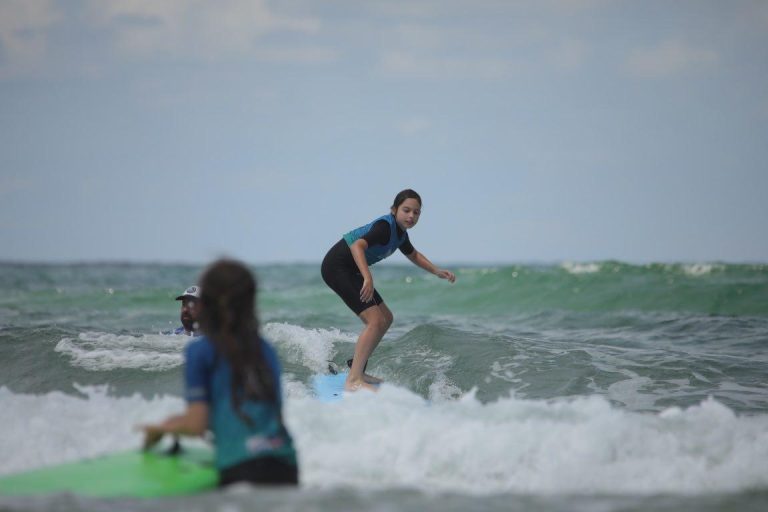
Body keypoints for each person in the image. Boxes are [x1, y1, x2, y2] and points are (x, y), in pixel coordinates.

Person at [142, 259, 299, 487]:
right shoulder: (266, 349)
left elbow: (197, 425)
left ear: (207, 304)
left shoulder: (200, 351)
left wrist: (162, 429)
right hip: (286, 465)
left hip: (240, 468)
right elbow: (266, 414)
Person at [321, 189, 456, 391]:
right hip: (337, 267)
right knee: (374, 321)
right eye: (406, 210)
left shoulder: (401, 235)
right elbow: (357, 246)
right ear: (394, 210)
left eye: (416, 212)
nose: (411, 216)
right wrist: (367, 277)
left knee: (386, 318)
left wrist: (436, 271)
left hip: (351, 270)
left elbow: (414, 255)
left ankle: (356, 369)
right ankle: (353, 380)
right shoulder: (385, 227)